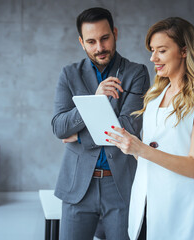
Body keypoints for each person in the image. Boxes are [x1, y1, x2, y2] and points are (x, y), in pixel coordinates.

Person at [105, 17, 194, 240]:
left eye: (161, 50)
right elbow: (149, 156)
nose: (153, 58)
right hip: (145, 206)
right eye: (152, 50)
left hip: (181, 209)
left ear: (184, 51)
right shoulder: (154, 97)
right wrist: (130, 148)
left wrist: (141, 149)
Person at [51, 7, 150, 240]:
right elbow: (59, 127)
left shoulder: (137, 73)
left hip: (121, 186)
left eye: (105, 38)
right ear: (81, 42)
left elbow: (127, 129)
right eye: (91, 41)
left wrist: (78, 136)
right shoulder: (68, 74)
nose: (100, 48)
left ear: (115, 33)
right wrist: (95, 101)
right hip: (78, 185)